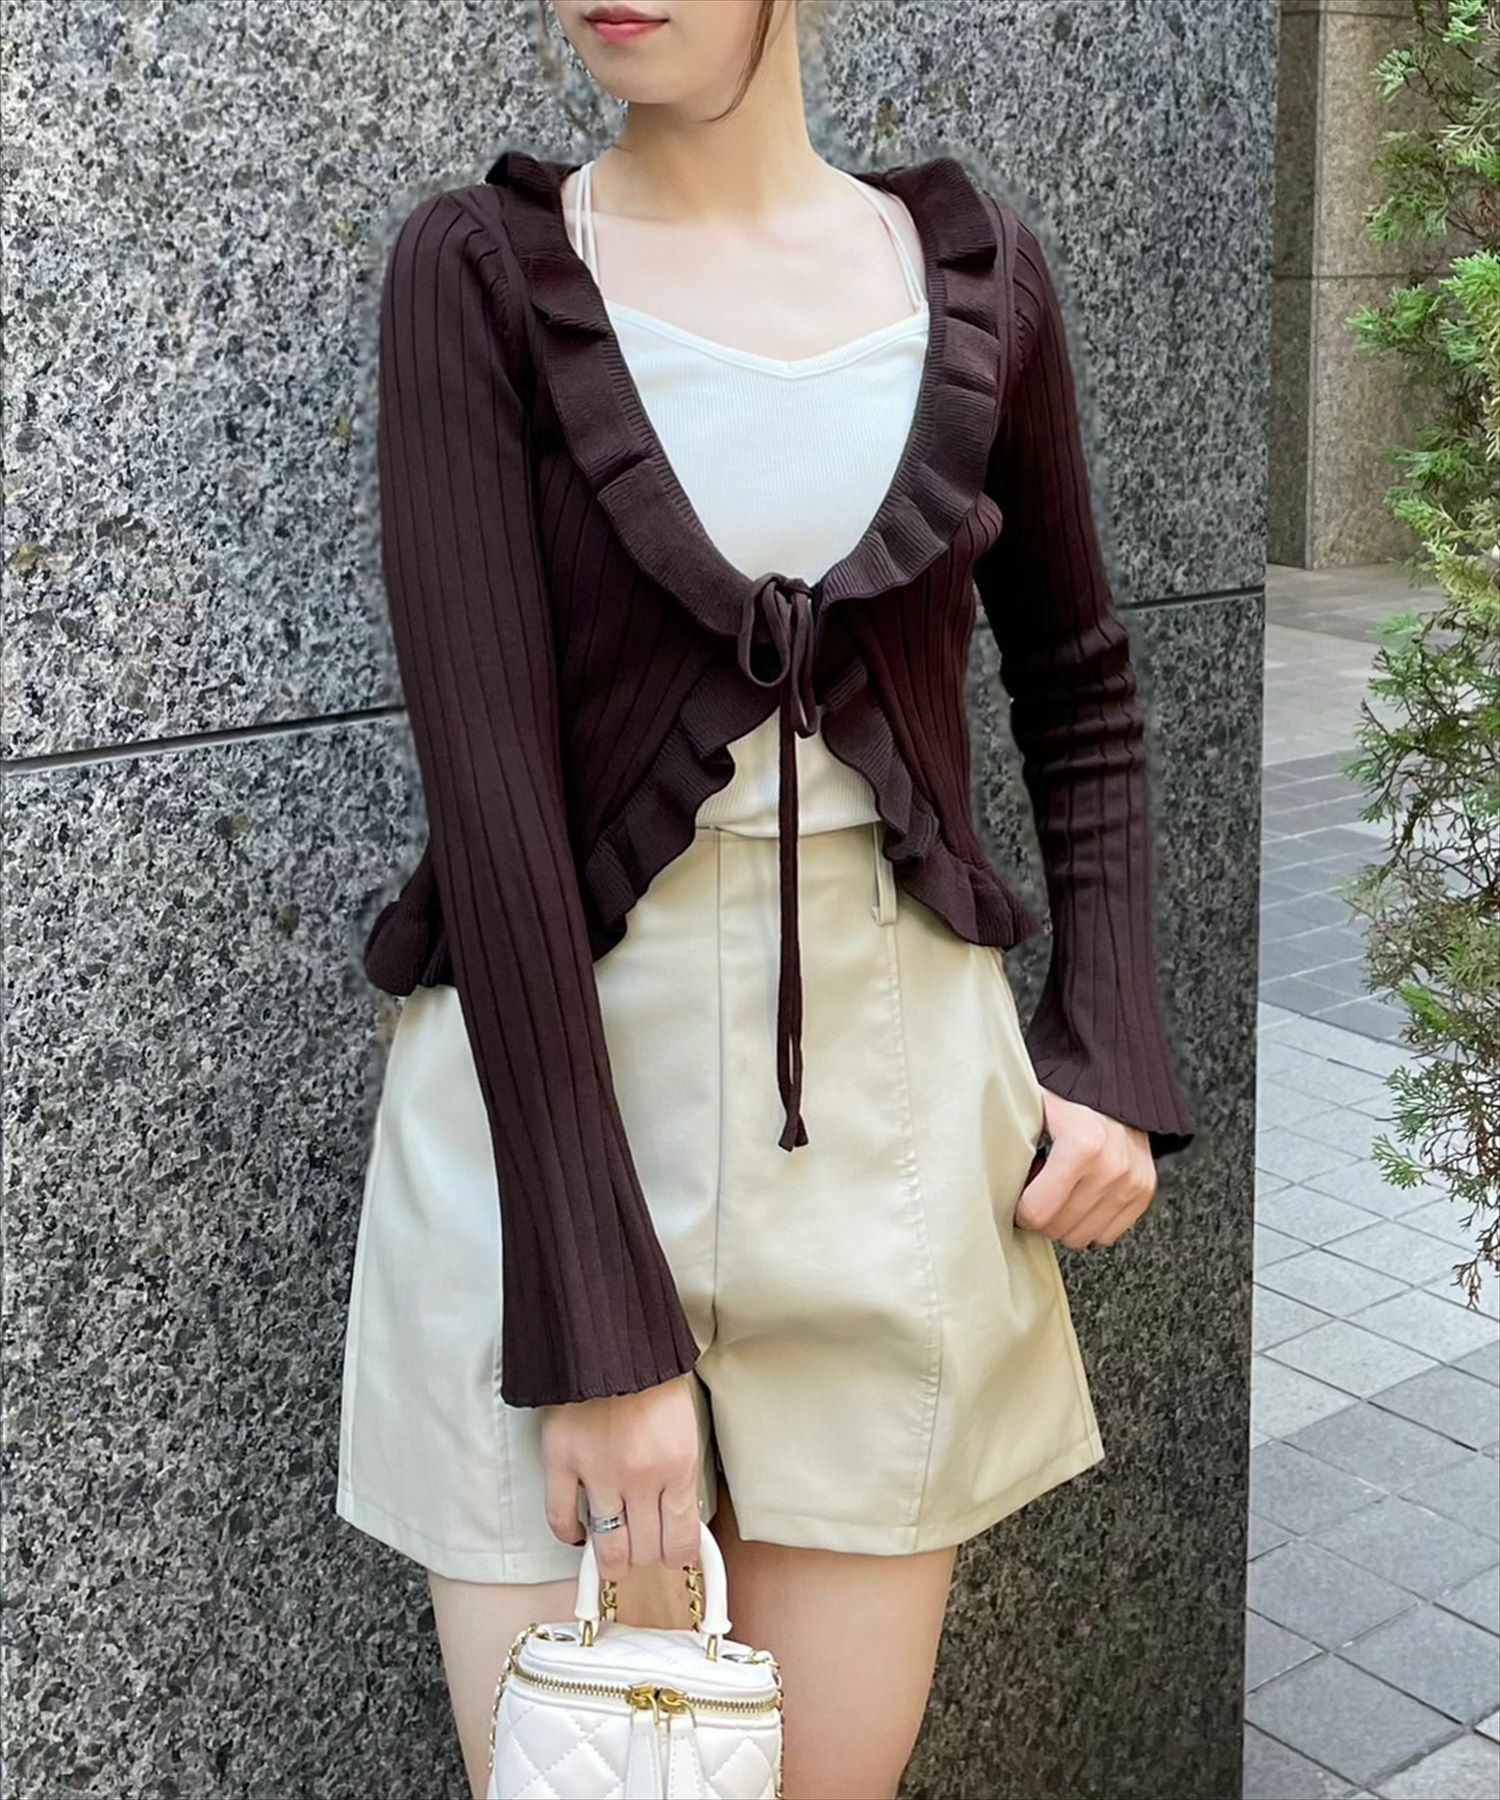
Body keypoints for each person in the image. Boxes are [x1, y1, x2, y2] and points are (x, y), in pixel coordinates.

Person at [336, 3, 1194, 1796]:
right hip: (545, 1133)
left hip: (889, 1124)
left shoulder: (978, 278)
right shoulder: (478, 274)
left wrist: (1107, 1041)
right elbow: (491, 812)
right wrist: (598, 1327)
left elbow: (1083, 685)